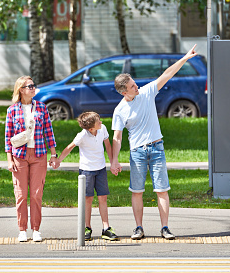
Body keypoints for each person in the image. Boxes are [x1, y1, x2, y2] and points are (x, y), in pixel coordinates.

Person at [111, 45, 198, 240]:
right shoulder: (120, 110)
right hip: (137, 152)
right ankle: (138, 228)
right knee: (137, 191)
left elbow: (167, 74)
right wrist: (114, 160)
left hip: (157, 148)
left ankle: (165, 227)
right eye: (132, 86)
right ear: (124, 92)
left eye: (135, 83)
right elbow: (117, 137)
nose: (137, 86)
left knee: (161, 190)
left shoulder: (148, 91)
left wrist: (185, 58)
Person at [5, 76, 57, 243]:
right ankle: (22, 230)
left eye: (34, 86)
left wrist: (53, 154)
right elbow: (8, 137)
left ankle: (36, 229)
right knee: (20, 195)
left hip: (39, 154)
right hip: (19, 156)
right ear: (21, 89)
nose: (33, 88)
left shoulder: (42, 108)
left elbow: (49, 132)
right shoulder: (12, 110)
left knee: (36, 194)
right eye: (30, 86)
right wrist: (9, 159)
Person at [52, 111, 119, 241]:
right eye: (98, 121)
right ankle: (87, 227)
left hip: (100, 169)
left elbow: (108, 146)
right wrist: (59, 160)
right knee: (88, 199)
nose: (101, 122)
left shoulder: (102, 129)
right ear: (91, 128)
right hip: (86, 171)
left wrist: (113, 163)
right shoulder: (82, 135)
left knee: (103, 197)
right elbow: (69, 147)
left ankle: (106, 228)